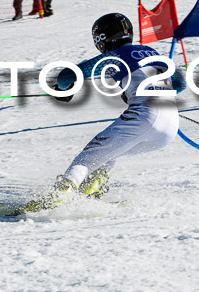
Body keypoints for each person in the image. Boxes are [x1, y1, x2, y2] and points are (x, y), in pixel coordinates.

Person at [23, 13, 185, 212]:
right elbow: (180, 83)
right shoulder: (151, 52)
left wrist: (64, 88)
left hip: (144, 116)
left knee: (88, 157)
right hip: (170, 125)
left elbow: (68, 75)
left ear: (101, 38)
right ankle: (92, 188)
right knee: (110, 151)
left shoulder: (115, 55)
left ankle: (57, 198)